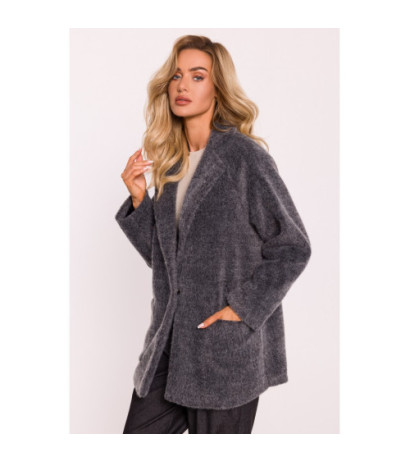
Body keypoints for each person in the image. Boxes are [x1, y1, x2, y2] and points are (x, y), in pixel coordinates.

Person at [115, 35, 312, 433]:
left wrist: (243, 308)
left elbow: (293, 247)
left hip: (224, 352)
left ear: (218, 88)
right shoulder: (171, 165)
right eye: (176, 76)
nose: (182, 85)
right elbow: (166, 262)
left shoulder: (244, 158)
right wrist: (139, 201)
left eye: (197, 76)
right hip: (170, 347)